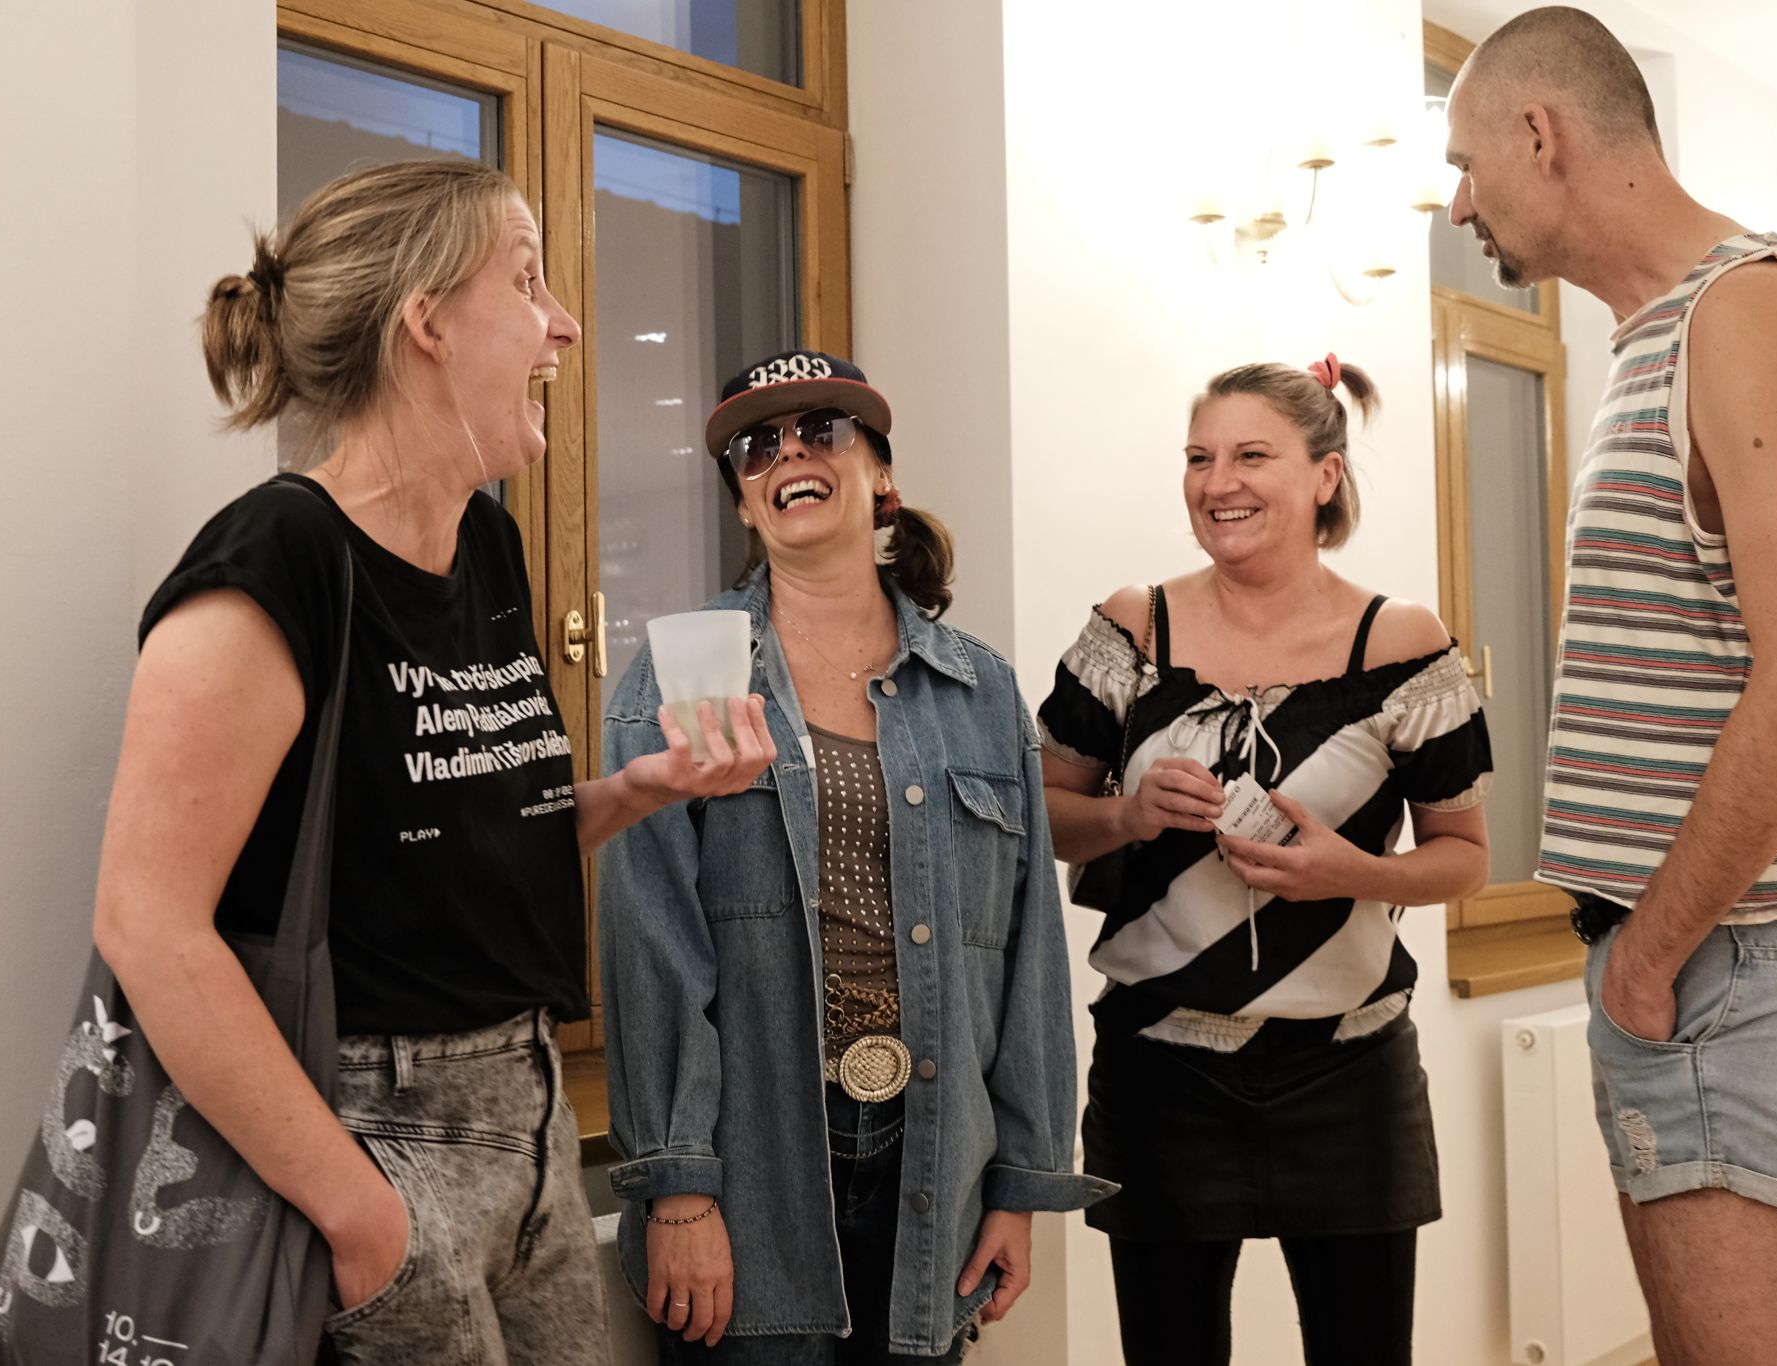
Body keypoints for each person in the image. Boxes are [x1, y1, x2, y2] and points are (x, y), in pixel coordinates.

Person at [99, 158, 775, 1364]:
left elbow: (468, 834)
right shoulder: (277, 557)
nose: (564, 323)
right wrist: (361, 1214)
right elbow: (146, 924)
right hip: (368, 1131)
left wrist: (641, 788)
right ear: (425, 322)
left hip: (531, 1117)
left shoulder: (487, 545)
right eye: (526, 280)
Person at [1442, 11, 1777, 1365]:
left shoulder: (1745, 307)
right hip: (1710, 962)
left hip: (1738, 958)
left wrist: (1647, 957)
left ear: (1541, 134)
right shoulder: (1659, 334)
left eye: (1466, 163)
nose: (1459, 205)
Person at [598, 350, 1114, 1364]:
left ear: (881, 475)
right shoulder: (681, 677)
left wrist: (1019, 1184)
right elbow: (649, 944)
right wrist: (678, 1188)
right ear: (743, 501)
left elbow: (1027, 957)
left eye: (822, 430)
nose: (789, 453)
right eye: (757, 446)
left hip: (937, 1161)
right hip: (753, 1168)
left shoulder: (979, 692)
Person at [1038, 356, 1492, 1366]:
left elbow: (1463, 858)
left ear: (1325, 474)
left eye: (1250, 455)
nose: (1217, 483)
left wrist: (1353, 874)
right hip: (1159, 1073)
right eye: (1198, 458)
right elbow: (1041, 818)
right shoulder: (1131, 627)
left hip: (1351, 1073)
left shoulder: (1401, 643)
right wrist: (1127, 814)